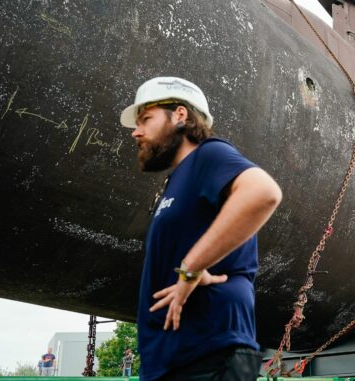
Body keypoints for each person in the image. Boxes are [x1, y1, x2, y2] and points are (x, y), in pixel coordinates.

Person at [121, 77, 282, 381]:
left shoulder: (208, 155)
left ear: (179, 115)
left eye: (146, 119)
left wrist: (191, 269)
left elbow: (263, 192)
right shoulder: (177, 180)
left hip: (208, 352)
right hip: (170, 359)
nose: (136, 131)